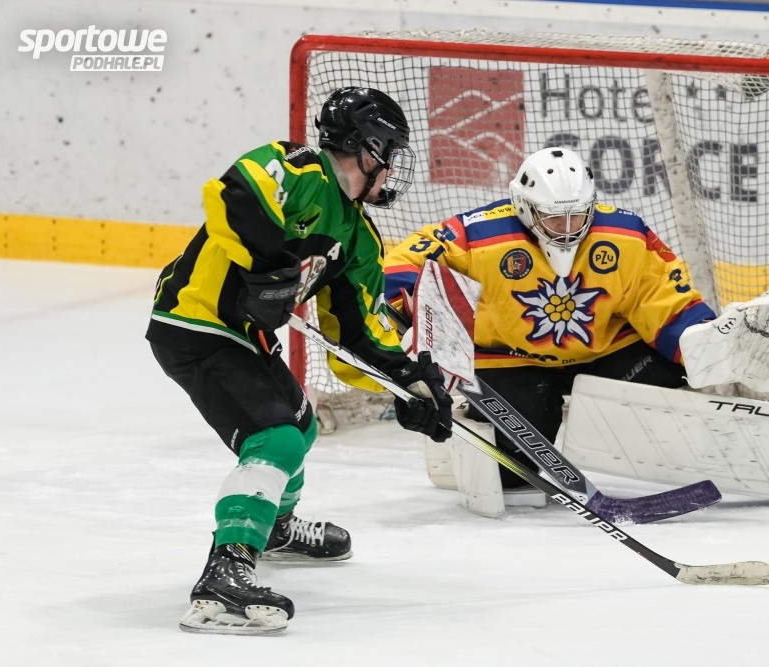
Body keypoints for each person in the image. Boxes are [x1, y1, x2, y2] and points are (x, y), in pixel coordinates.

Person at [147, 86, 453, 635]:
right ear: (368, 149)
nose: (392, 169)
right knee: (276, 439)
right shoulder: (301, 169)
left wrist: (406, 382)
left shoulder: (358, 237)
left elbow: (357, 332)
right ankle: (225, 570)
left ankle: (275, 528)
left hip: (243, 336)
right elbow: (237, 192)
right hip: (194, 321)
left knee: (302, 424)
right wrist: (269, 266)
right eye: (390, 153)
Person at [383, 146, 718, 491]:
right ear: (524, 207)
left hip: (603, 355)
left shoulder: (626, 235)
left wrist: (707, 342)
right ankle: (466, 426)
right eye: (554, 217)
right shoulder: (478, 235)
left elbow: (663, 298)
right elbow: (402, 265)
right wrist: (416, 321)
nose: (568, 228)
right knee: (510, 473)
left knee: (668, 378)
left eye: (578, 215)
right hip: (510, 360)